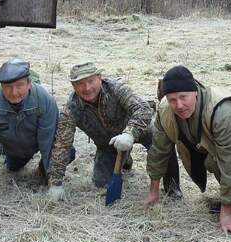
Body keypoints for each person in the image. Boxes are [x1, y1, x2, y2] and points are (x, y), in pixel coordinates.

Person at [145, 65, 231, 235]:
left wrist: (226, 213)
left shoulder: (222, 111)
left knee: (216, 162)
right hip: (210, 141)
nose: (179, 105)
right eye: (172, 99)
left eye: (183, 97)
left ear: (195, 91)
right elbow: (159, 150)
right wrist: (153, 191)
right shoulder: (164, 109)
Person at [47, 62, 180, 201]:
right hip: (108, 145)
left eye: (91, 81)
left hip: (140, 130)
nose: (87, 88)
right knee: (101, 182)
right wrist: (55, 183)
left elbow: (143, 108)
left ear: (100, 78)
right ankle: (125, 158)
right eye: (80, 84)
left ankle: (173, 187)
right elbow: (62, 146)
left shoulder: (117, 88)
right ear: (73, 86)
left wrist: (129, 134)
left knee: (161, 141)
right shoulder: (71, 109)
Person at [0, 58, 59, 196]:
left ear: (29, 84)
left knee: (67, 153)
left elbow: (49, 142)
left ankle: (44, 169)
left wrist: (55, 182)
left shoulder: (44, 100)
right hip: (14, 148)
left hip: (38, 143)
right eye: (8, 87)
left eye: (19, 85)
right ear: (1, 86)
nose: (14, 92)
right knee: (13, 167)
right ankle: (9, 155)